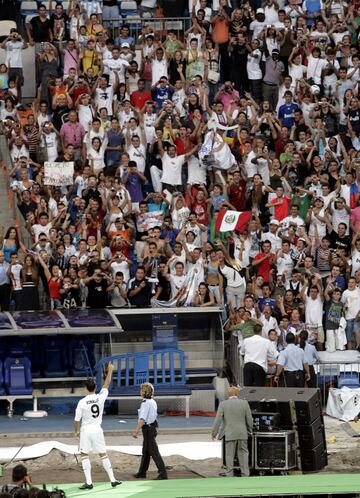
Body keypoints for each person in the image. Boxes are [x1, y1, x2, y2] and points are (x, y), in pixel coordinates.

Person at [74, 363, 121, 490]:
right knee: (103, 454)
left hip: (86, 430)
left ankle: (89, 482)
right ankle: (112, 479)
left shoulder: (82, 402)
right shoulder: (100, 397)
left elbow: (76, 419)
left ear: (86, 388)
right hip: (97, 430)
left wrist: (75, 432)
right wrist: (110, 370)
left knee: (84, 454)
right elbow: (106, 385)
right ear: (95, 387)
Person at [211, 386, 253, 477]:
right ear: (237, 394)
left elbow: (217, 420)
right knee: (243, 453)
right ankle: (245, 473)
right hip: (242, 433)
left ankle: (229, 473)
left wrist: (214, 433)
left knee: (229, 455)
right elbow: (249, 419)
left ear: (228, 394)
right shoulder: (244, 403)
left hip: (229, 433)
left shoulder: (223, 404)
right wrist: (250, 430)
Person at [132, 382, 168, 480]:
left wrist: (136, 431)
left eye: (141, 390)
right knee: (146, 451)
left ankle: (163, 473)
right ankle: (142, 472)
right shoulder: (152, 401)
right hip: (152, 428)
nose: (140, 392)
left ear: (144, 392)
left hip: (148, 429)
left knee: (154, 452)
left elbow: (142, 419)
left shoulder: (145, 403)